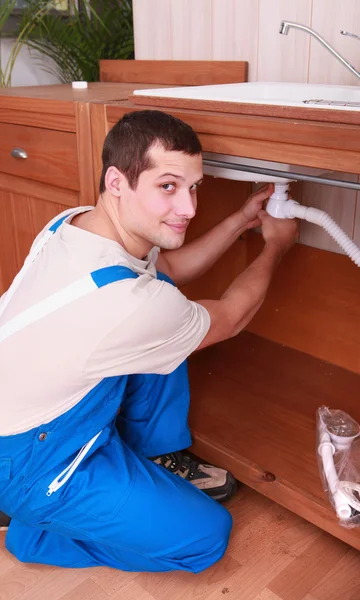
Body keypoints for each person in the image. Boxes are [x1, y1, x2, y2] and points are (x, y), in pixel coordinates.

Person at [0, 110, 298, 573]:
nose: (190, 208)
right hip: (30, 457)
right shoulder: (130, 304)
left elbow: (169, 272)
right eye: (168, 186)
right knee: (205, 538)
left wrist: (242, 220)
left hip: (29, 405)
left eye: (193, 186)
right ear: (117, 182)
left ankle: (153, 455)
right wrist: (276, 247)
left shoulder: (74, 224)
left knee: (167, 308)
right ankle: (34, 532)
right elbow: (232, 317)